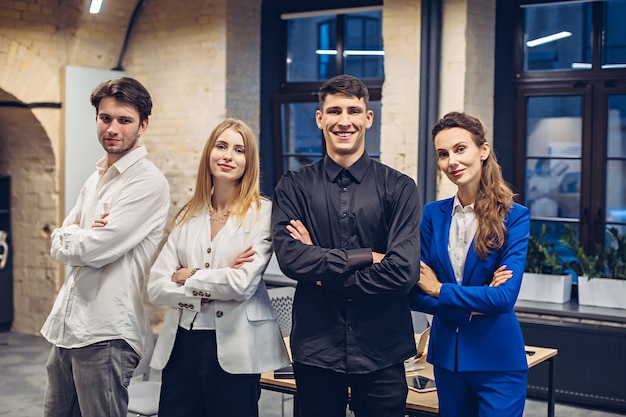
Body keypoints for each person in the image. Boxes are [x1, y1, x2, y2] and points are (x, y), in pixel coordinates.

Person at [271, 74, 422, 417]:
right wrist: (367, 256)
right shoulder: (294, 186)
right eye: (334, 111)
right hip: (317, 349)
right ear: (320, 118)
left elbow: (403, 271)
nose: (344, 121)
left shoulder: (399, 188)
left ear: (368, 118)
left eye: (353, 111)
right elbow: (291, 259)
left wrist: (323, 274)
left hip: (382, 350)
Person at [41, 77, 170, 417]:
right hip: (68, 326)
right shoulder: (96, 176)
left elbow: (93, 250)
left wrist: (79, 237)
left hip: (106, 331)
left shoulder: (147, 181)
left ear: (143, 125)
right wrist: (78, 236)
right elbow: (57, 243)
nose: (112, 128)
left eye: (124, 120)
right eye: (105, 118)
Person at [148, 118, 290, 417]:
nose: (228, 155)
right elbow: (156, 286)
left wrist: (189, 275)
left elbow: (242, 285)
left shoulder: (263, 214)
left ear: (249, 161)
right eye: (221, 146)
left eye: (239, 150)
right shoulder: (189, 213)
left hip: (236, 346)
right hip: (181, 345)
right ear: (209, 154)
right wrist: (217, 280)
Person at [409, 111, 530, 417]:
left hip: (498, 361)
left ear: (483, 150)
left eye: (460, 149)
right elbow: (414, 292)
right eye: (443, 154)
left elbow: (503, 298)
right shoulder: (432, 215)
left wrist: (438, 288)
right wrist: (475, 301)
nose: (452, 162)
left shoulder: (514, 217)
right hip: (447, 360)